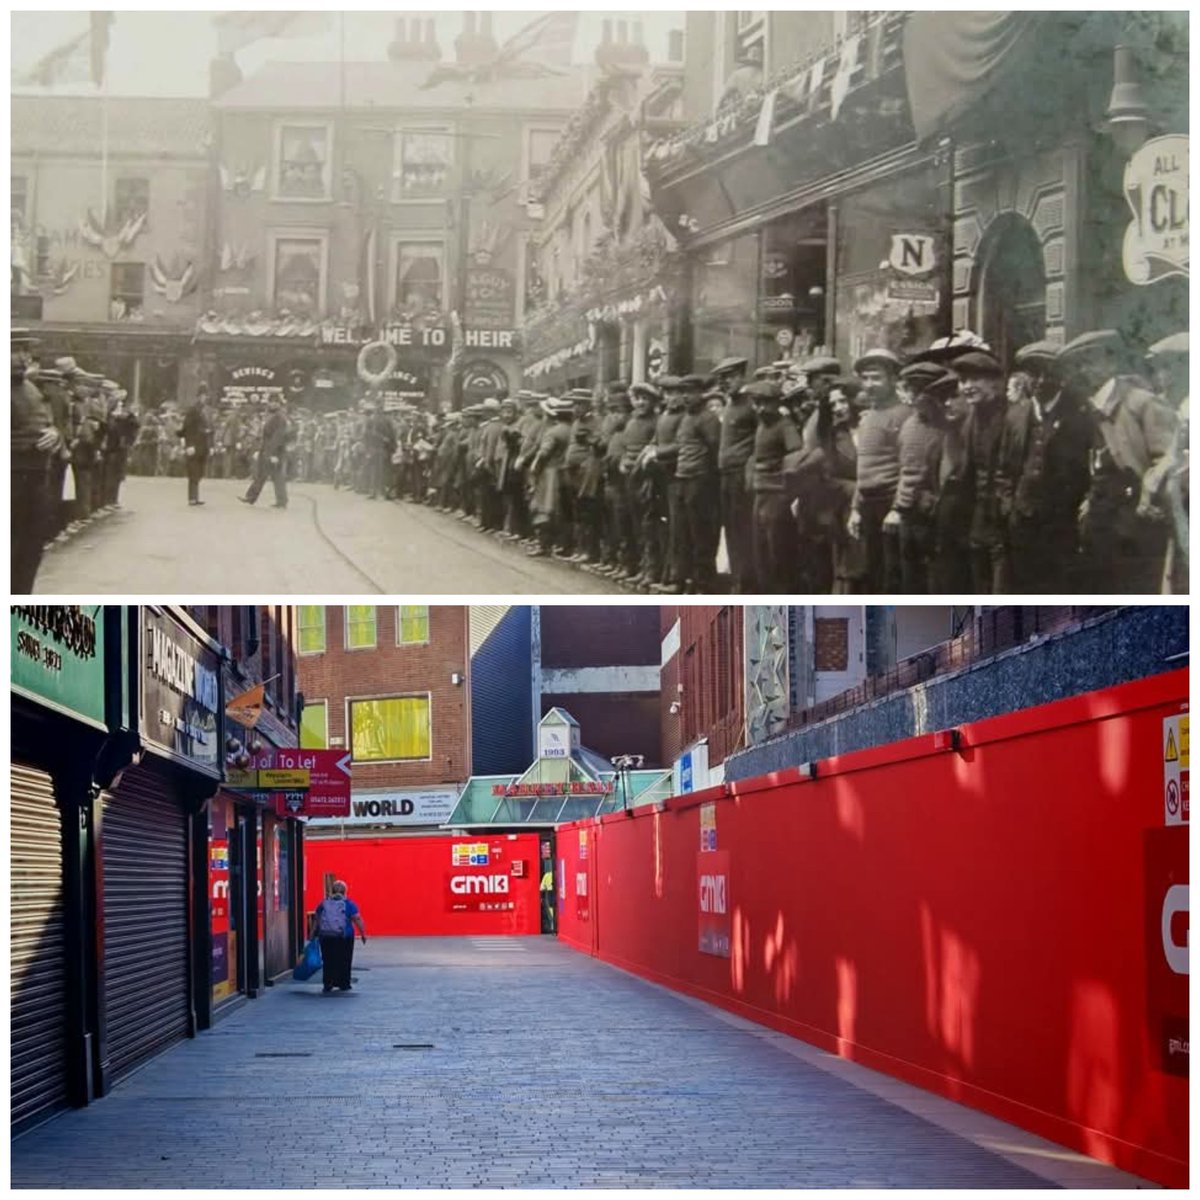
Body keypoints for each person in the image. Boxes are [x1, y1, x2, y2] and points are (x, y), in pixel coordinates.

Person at [848, 348, 908, 592]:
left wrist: (897, 508)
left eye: (877, 377)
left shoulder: (904, 415)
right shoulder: (868, 416)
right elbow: (863, 466)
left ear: (894, 379)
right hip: (868, 506)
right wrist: (855, 507)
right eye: (866, 378)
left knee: (891, 579)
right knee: (869, 576)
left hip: (890, 507)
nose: (869, 384)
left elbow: (909, 467)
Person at [12, 328, 62, 593]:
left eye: (25, 351)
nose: (23, 358)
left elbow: (49, 424)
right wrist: (28, 443)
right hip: (11, 478)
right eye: (15, 351)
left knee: (30, 551)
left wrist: (54, 435)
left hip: (36, 479)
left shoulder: (31, 388)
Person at [313, 880, 366, 994]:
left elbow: (317, 919)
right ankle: (344, 983)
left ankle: (328, 983)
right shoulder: (349, 904)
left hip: (326, 936)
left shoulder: (324, 903)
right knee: (345, 959)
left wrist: (312, 933)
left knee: (328, 960)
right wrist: (363, 933)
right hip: (344, 937)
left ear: (332, 891)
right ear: (345, 891)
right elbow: (357, 918)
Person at [240, 395, 290, 508]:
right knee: (262, 474)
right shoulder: (272, 416)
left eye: (274, 402)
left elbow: (278, 437)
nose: (271, 404)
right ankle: (252, 497)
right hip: (267, 450)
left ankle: (281, 501)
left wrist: (274, 454)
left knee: (276, 476)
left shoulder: (279, 417)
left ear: (278, 404)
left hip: (274, 451)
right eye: (270, 402)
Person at [181, 384, 214, 506]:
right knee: (193, 472)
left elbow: (210, 428)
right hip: (194, 445)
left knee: (200, 472)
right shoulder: (193, 410)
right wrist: (189, 444)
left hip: (203, 445)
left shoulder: (206, 411)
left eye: (206, 396)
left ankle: (195, 496)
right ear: (199, 396)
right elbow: (187, 428)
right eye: (203, 395)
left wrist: (210, 445)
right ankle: (192, 498)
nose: (205, 398)